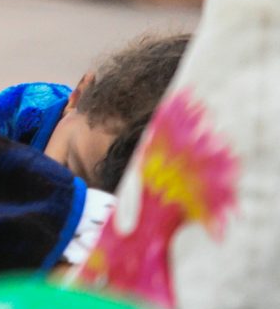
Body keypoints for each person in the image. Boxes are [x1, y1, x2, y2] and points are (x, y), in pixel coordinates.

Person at [45, 31, 190, 190]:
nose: (86, 210)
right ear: (77, 97)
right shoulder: (15, 130)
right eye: (68, 170)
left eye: (109, 204)